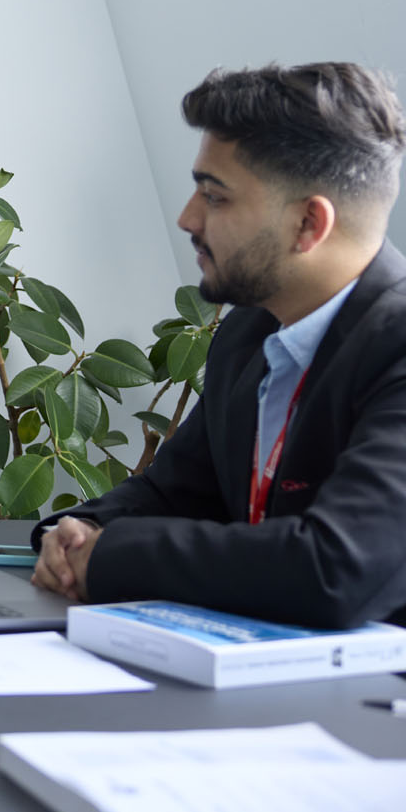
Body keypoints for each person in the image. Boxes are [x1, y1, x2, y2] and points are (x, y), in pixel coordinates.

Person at [32, 63, 406, 628]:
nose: (188, 216)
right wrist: (75, 532)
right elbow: (172, 492)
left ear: (309, 224)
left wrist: (113, 557)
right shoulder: (248, 332)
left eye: (216, 196)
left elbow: (335, 568)